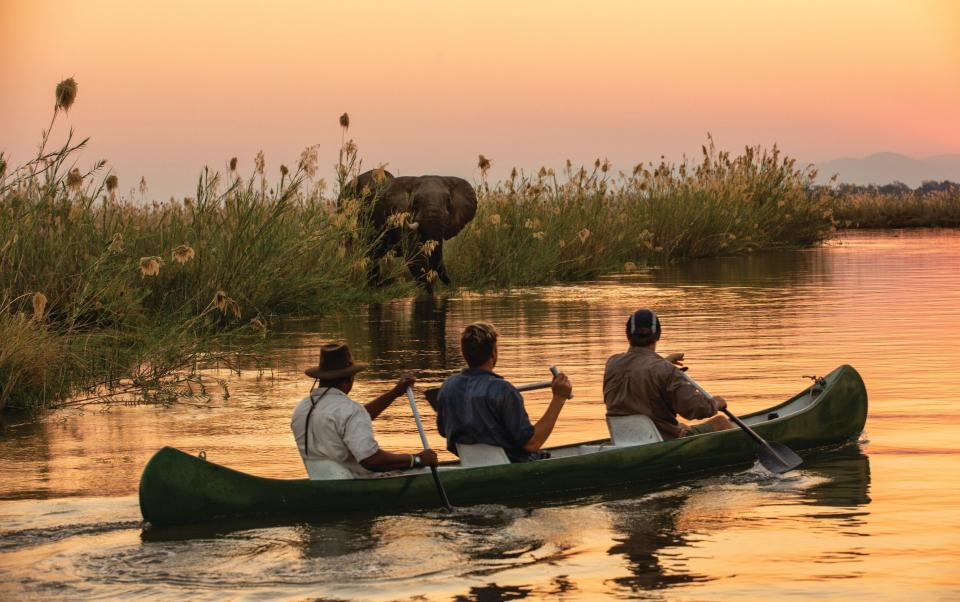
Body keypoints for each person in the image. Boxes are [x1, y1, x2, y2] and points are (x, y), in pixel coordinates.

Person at [291, 342, 437, 478]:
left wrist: (395, 393)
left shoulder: (301, 408)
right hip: (354, 481)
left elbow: (352, 419)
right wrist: (416, 459)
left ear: (320, 379)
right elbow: (371, 460)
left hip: (321, 480)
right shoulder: (350, 411)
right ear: (349, 379)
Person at [436, 322, 573, 462]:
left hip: (470, 462)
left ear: (464, 353)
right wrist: (559, 398)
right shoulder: (504, 391)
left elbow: (443, 431)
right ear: (494, 352)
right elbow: (531, 444)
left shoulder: (448, 387)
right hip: (511, 464)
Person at [603, 309, 733, 439]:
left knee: (680, 425)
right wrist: (715, 403)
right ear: (658, 335)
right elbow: (695, 408)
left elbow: (640, 372)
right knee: (721, 422)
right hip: (660, 439)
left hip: (625, 438)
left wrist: (663, 362)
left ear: (627, 335)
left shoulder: (612, 363)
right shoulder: (665, 370)